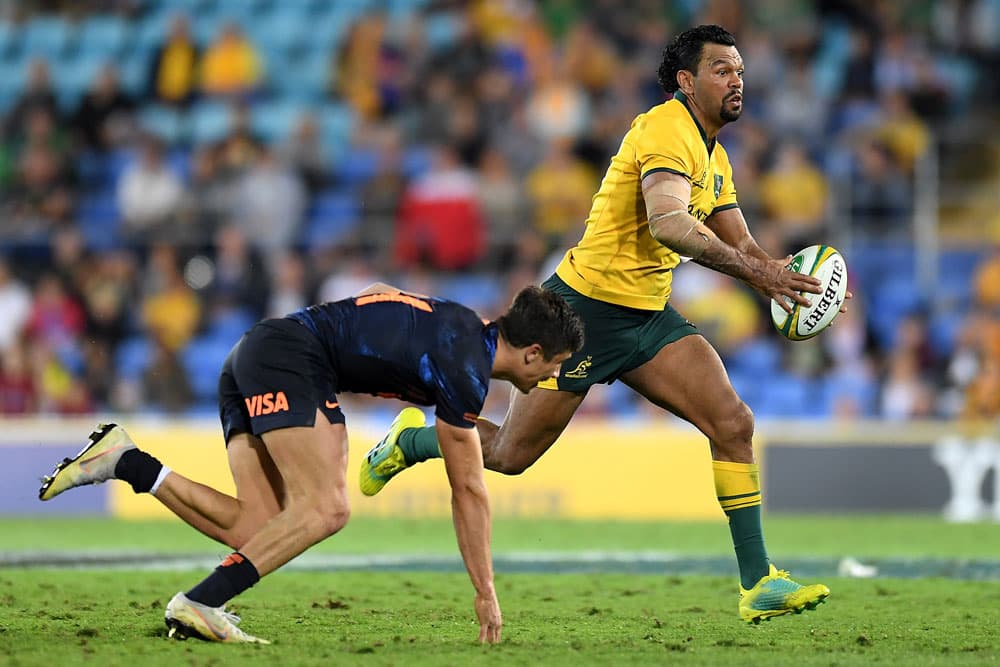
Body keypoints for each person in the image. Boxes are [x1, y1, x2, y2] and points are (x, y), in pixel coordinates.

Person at [361, 25, 850, 624]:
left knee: (733, 423)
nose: (737, 80)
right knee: (511, 456)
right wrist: (762, 274)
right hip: (581, 314)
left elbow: (739, 240)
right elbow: (670, 223)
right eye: (722, 70)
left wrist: (785, 281)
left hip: (646, 317)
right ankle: (410, 439)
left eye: (741, 70)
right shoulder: (666, 129)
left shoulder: (713, 153)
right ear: (687, 82)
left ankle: (758, 583)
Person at [39, 284, 584, 644]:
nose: (549, 381)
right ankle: (199, 602)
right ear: (532, 352)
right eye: (554, 366)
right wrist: (486, 592)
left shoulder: (461, 324)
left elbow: (375, 296)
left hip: (260, 353)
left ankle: (127, 462)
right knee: (326, 508)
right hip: (291, 359)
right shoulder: (466, 369)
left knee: (260, 529)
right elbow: (468, 489)